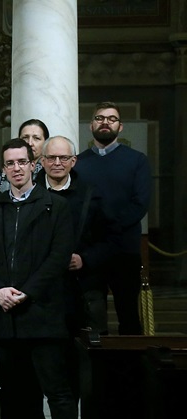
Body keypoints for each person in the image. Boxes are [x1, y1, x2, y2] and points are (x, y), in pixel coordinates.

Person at [0, 138, 81, 419]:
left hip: (43, 313)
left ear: (34, 164)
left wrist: (27, 291)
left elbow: (58, 257)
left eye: (22, 161)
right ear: (3, 168)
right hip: (5, 316)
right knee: (12, 395)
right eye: (9, 163)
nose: (16, 168)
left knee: (59, 394)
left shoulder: (56, 207)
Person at [75, 102, 152, 336]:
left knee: (128, 317)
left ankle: (130, 371)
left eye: (111, 118)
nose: (105, 122)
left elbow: (140, 203)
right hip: (89, 254)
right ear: (91, 126)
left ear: (120, 127)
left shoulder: (137, 160)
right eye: (100, 118)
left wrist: (109, 229)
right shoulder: (78, 163)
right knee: (92, 318)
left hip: (124, 249)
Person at [38, 135, 110, 335]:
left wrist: (84, 259)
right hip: (41, 289)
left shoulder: (91, 194)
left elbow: (109, 239)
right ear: (42, 161)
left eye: (63, 158)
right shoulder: (30, 194)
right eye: (51, 158)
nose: (57, 163)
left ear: (73, 161)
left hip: (82, 286)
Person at [0, 119, 49, 201]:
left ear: (46, 142)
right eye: (25, 137)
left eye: (36, 138)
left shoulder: (50, 174)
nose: (30, 143)